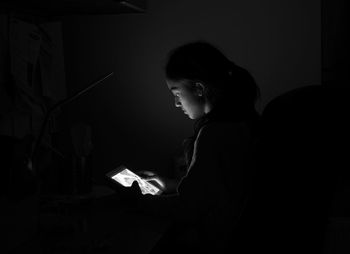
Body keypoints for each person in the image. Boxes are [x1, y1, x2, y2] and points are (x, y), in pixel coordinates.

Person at [130, 41, 260, 253]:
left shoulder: (215, 134)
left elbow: (187, 209)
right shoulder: (243, 124)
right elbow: (216, 188)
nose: (176, 103)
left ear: (199, 89)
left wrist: (138, 200)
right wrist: (171, 184)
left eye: (177, 93)